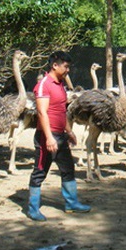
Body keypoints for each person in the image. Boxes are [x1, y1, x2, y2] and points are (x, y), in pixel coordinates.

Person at [27, 51, 91, 221]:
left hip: (60, 135)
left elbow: (62, 111)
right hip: (46, 136)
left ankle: (71, 203)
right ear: (55, 65)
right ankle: (33, 208)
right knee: (40, 171)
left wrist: (69, 132)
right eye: (66, 66)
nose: (68, 70)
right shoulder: (44, 85)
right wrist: (49, 138)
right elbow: (42, 112)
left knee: (68, 168)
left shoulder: (60, 84)